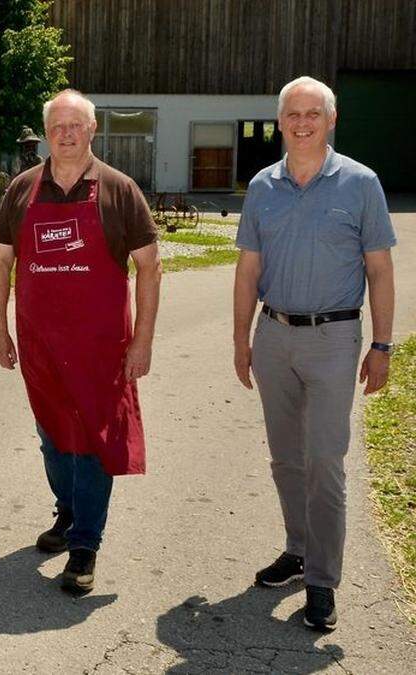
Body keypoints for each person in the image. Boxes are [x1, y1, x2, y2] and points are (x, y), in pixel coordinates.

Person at [233, 75, 396, 632]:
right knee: (285, 458)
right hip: (273, 335)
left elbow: (379, 268)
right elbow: (248, 269)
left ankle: (323, 581)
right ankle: (298, 549)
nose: (302, 123)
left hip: (334, 339)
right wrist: (240, 340)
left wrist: (381, 344)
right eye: (293, 114)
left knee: (325, 462)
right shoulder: (262, 186)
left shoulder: (360, 183)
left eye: (313, 114)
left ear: (331, 119)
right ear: (280, 121)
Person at [0, 89, 161, 595]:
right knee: (53, 437)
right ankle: (68, 512)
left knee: (92, 442)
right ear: (46, 132)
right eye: (58, 125)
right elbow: (0, 261)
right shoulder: (22, 189)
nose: (66, 134)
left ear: (92, 130)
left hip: (101, 348)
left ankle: (85, 542)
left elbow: (150, 267)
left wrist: (142, 340)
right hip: (39, 346)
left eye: (76, 125)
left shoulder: (119, 189)